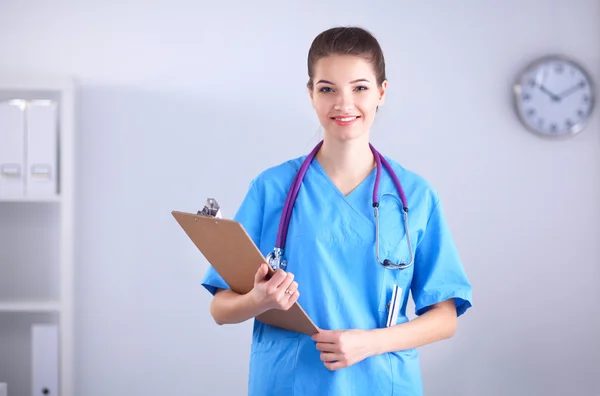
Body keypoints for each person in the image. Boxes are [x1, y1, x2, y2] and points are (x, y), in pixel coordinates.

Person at [201, 26, 473, 396]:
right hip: (290, 383)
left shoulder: (415, 196)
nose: (344, 104)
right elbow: (221, 308)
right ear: (311, 95)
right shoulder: (272, 188)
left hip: (380, 383)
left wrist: (370, 343)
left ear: (381, 92)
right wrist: (257, 300)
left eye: (359, 88)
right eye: (327, 89)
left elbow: (445, 317)